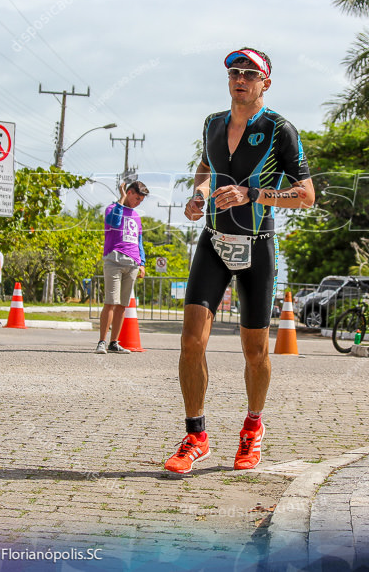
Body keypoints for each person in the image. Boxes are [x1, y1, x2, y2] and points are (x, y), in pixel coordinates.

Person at [164, 48, 315, 474]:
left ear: (266, 83)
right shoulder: (213, 123)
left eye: (250, 73)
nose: (241, 79)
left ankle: (252, 427)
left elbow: (306, 195)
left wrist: (253, 194)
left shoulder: (279, 130)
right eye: (235, 72)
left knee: (254, 350)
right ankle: (196, 435)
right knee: (191, 340)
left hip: (257, 245)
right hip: (212, 241)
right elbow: (204, 168)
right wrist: (198, 196)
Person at [96, 180, 149, 354]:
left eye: (141, 200)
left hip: (132, 263)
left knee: (122, 305)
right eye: (137, 198)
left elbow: (139, 241)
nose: (138, 202)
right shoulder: (112, 208)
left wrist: (142, 263)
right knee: (111, 302)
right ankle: (102, 341)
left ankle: (114, 342)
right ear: (130, 193)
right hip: (115, 260)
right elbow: (113, 222)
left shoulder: (136, 216)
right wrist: (122, 198)